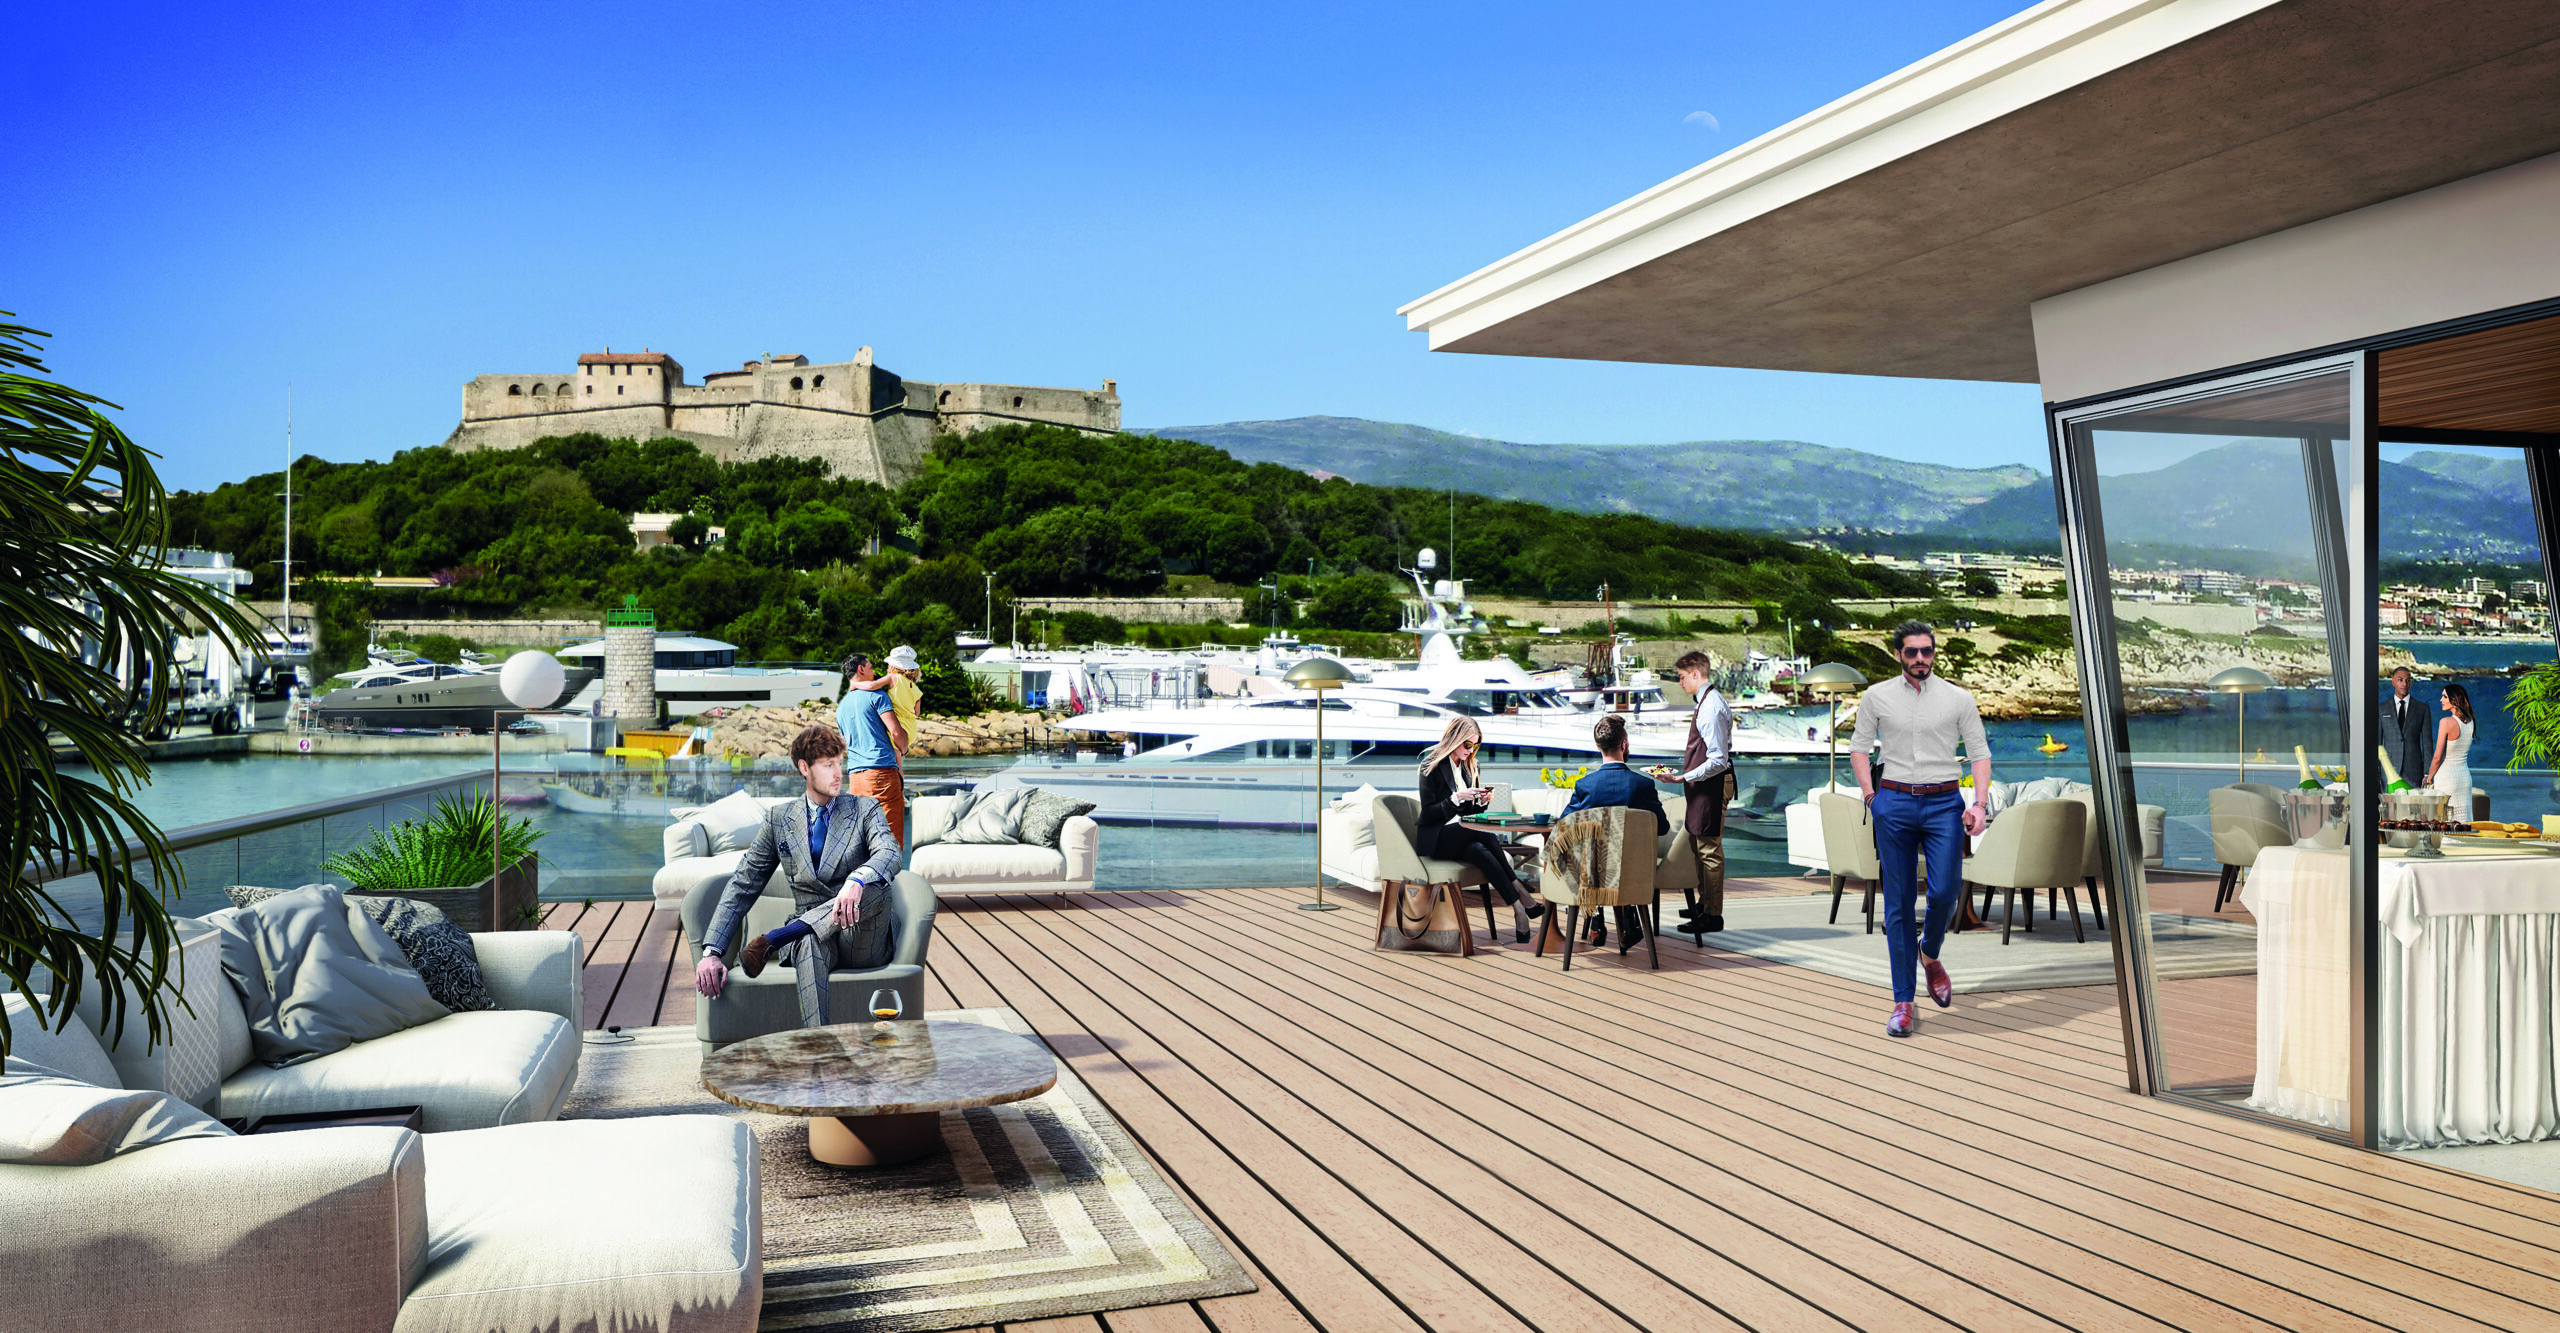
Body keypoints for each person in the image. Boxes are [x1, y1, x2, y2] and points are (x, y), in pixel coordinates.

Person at [694, 724, 903, 1028]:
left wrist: (856, 879)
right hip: (814, 938)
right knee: (807, 939)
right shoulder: (779, 819)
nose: (837, 774)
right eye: (828, 765)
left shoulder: (864, 808)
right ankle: (818, 1050)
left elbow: (890, 852)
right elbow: (744, 883)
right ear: (804, 768)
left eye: (839, 764)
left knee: (878, 886)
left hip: (861, 936)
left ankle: (778, 937)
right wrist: (712, 952)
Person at [1849, 619, 1991, 1039]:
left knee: (1946, 891)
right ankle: (1903, 1003)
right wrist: (1871, 796)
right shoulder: (1876, 697)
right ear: (1898, 654)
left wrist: (1979, 804)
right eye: (1911, 652)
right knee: (1898, 903)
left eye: (1926, 651)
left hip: (1945, 802)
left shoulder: (1958, 698)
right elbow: (1859, 748)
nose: (1920, 659)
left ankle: (1930, 954)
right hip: (1893, 801)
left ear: (1934, 653)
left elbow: (1980, 754)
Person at [1415, 716, 1547, 942]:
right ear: (1454, 738)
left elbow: (1469, 814)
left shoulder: (1471, 765)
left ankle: (1518, 910)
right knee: (1479, 832)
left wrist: (1482, 801)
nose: (1471, 749)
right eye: (1468, 743)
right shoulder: (1431, 765)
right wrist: (1455, 798)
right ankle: (1521, 891)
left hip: (1462, 836)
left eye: (1476, 744)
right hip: (1437, 839)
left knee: (1479, 850)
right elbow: (1427, 815)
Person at [1561, 712, 1669, 948]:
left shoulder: (1584, 785)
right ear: (1624, 744)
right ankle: (1629, 919)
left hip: (1594, 873)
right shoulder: (1644, 785)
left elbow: (1564, 825)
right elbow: (1662, 828)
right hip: (1634, 874)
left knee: (1587, 853)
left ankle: (1596, 917)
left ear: (1598, 746)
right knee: (1622, 855)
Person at [1669, 650, 1735, 935]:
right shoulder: (1707, 702)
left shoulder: (1710, 707)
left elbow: (1718, 759)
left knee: (1709, 849)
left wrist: (1684, 776)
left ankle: (1713, 915)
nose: (1680, 683)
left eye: (1683, 677)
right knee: (1698, 845)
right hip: (1704, 785)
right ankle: (1704, 903)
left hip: (1713, 784)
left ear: (1696, 673)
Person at [834, 653, 910, 845]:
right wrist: (904, 747)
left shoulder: (841, 708)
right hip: (881, 774)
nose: (874, 672)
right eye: (870, 668)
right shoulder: (877, 696)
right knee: (889, 839)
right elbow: (896, 732)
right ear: (861, 669)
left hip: (856, 778)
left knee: (865, 839)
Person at [2428, 681, 2476, 818]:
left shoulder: (2446, 723)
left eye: (2444, 697)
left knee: (2445, 824)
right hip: (2464, 778)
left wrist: (2429, 779)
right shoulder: (2470, 721)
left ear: (2454, 700)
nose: (2441, 700)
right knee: (2462, 824)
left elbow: (2437, 757)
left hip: (2447, 778)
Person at [2380, 666, 2429, 789]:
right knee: (2389, 808)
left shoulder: (2422, 709)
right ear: (2393, 682)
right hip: (2388, 772)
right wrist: (2376, 773)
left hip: (2413, 773)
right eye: (2400, 680)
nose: (2404, 684)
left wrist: (2427, 773)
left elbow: (2427, 745)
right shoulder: (2381, 709)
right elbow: (2377, 745)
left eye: (2407, 680)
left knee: (2414, 807)